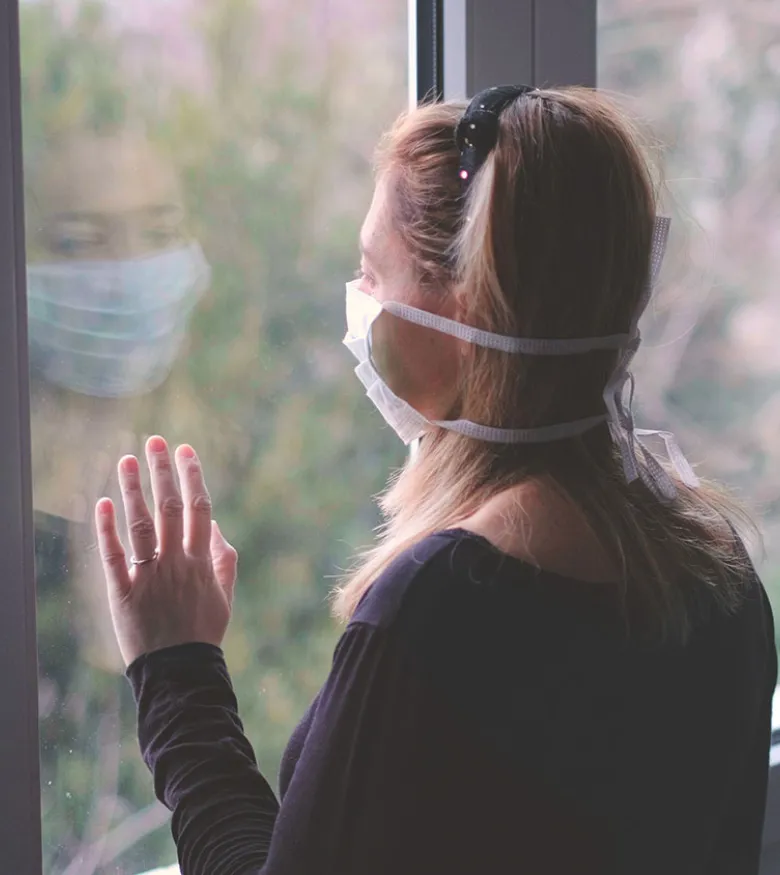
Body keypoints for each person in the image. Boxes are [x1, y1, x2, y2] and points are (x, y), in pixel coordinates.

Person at [95, 86, 776, 875]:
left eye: (372, 272)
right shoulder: (717, 571)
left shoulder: (441, 613)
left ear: (466, 306)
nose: (359, 304)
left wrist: (176, 670)